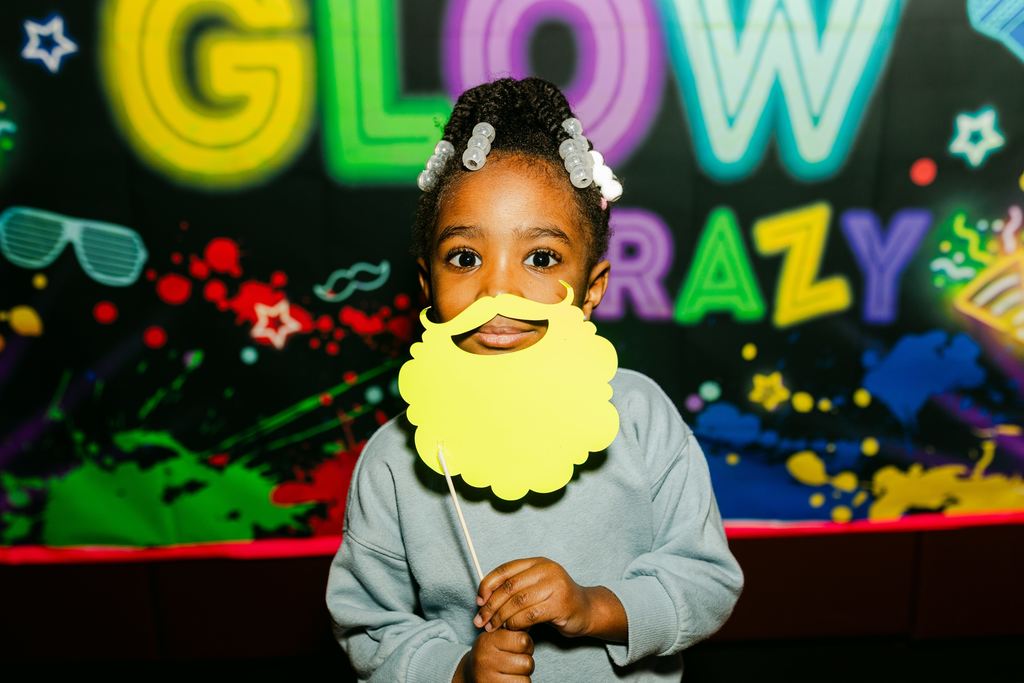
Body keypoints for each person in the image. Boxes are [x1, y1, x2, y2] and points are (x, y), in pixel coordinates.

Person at [326, 77, 743, 682]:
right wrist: (456, 671)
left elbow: (706, 579)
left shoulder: (643, 417)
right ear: (427, 284)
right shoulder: (393, 460)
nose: (498, 291)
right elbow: (369, 626)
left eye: (541, 258)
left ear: (593, 288)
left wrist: (595, 607)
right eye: (465, 258)